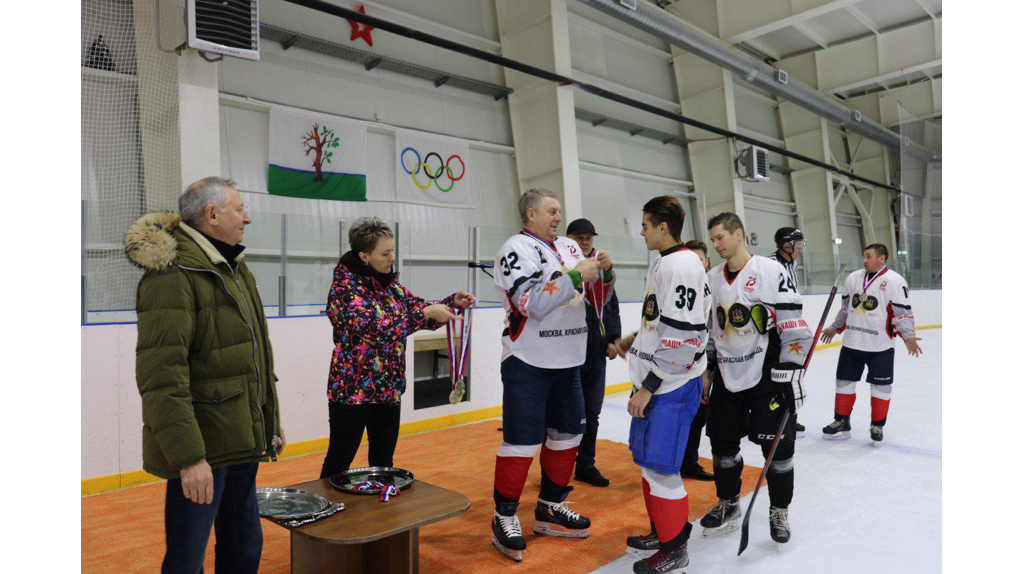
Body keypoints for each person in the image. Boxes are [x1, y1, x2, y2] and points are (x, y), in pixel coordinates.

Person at [127, 177, 285, 573]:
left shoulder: (233, 266)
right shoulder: (172, 275)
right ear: (211, 215)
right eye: (238, 208)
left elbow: (255, 356)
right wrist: (189, 457)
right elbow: (162, 375)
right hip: (203, 449)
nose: (246, 217)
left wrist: (269, 420)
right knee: (186, 560)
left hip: (242, 436)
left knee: (244, 548)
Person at [490, 188, 612, 562]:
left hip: (568, 361)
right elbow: (533, 303)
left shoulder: (571, 248)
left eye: (559, 211)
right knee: (523, 441)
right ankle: (504, 515)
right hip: (529, 361)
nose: (559, 217)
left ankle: (550, 505)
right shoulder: (515, 249)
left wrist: (604, 274)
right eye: (551, 211)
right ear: (530, 214)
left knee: (569, 434)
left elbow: (597, 301)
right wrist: (576, 277)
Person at [320, 217, 473, 478]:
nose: (392, 257)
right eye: (385, 252)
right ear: (364, 255)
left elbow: (417, 310)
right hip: (352, 390)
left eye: (393, 250)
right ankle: (327, 510)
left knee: (383, 461)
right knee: (339, 459)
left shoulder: (389, 285)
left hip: (388, 388)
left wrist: (452, 303)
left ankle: (382, 514)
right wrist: (426, 312)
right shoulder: (344, 290)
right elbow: (379, 330)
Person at [699, 212, 813, 548]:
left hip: (765, 376)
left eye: (721, 237)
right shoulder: (712, 277)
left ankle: (779, 510)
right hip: (725, 372)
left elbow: (792, 322)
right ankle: (729, 503)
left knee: (778, 449)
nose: (716, 245)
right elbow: (710, 328)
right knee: (721, 445)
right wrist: (707, 369)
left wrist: (791, 369)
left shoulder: (769, 271)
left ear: (739, 235)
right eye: (714, 239)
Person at [613, 197, 712, 573]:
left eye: (645, 225)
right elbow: (664, 323)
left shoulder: (681, 266)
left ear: (662, 228)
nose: (641, 231)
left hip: (669, 387)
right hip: (661, 383)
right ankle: (662, 531)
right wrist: (634, 340)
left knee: (663, 470)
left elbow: (685, 338)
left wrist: (649, 386)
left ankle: (674, 549)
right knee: (649, 464)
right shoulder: (667, 262)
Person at [819, 244, 921, 443]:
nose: (864, 260)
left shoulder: (895, 281)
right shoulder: (853, 278)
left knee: (880, 387)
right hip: (852, 344)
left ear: (882, 258)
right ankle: (841, 421)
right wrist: (835, 327)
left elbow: (902, 314)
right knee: (843, 383)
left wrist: (908, 336)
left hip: (880, 347)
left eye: (869, 256)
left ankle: (877, 425)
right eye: (864, 256)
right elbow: (846, 308)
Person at [565, 217, 622, 488]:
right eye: (579, 237)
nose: (585, 242)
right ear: (569, 240)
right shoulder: (562, 266)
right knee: (563, 415)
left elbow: (612, 308)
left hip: (597, 354)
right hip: (568, 355)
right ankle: (555, 471)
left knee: (592, 412)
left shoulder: (601, 270)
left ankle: (585, 465)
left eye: (589, 237)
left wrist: (614, 339)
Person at [678, 239, 714, 482]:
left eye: (699, 259)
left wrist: (707, 370)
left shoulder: (715, 288)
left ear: (706, 261)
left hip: (704, 365)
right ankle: (673, 462)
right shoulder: (677, 286)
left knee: (698, 417)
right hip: (677, 366)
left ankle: (688, 462)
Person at [768, 227, 807, 437]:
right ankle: (776, 418)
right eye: (798, 245)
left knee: (791, 373)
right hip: (774, 333)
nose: (800, 250)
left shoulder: (791, 263)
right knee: (778, 375)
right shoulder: (770, 265)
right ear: (786, 245)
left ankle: (788, 417)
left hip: (789, 330)